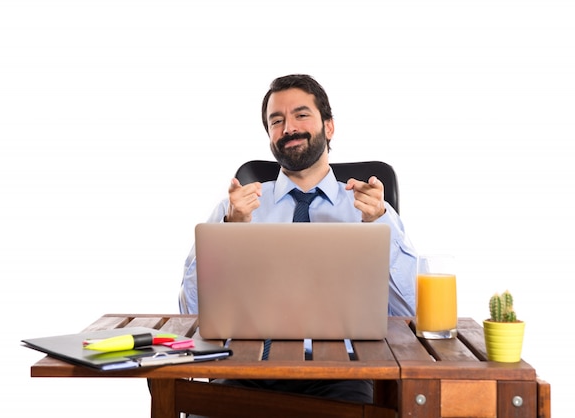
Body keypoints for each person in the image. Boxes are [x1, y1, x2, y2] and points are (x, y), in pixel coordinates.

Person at [178, 74, 416, 405]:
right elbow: (191, 313)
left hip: (340, 375)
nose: (289, 127)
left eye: (301, 115)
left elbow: (410, 312)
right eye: (277, 120)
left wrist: (380, 223)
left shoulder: (371, 208)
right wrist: (229, 230)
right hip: (246, 370)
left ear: (329, 127)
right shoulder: (237, 209)